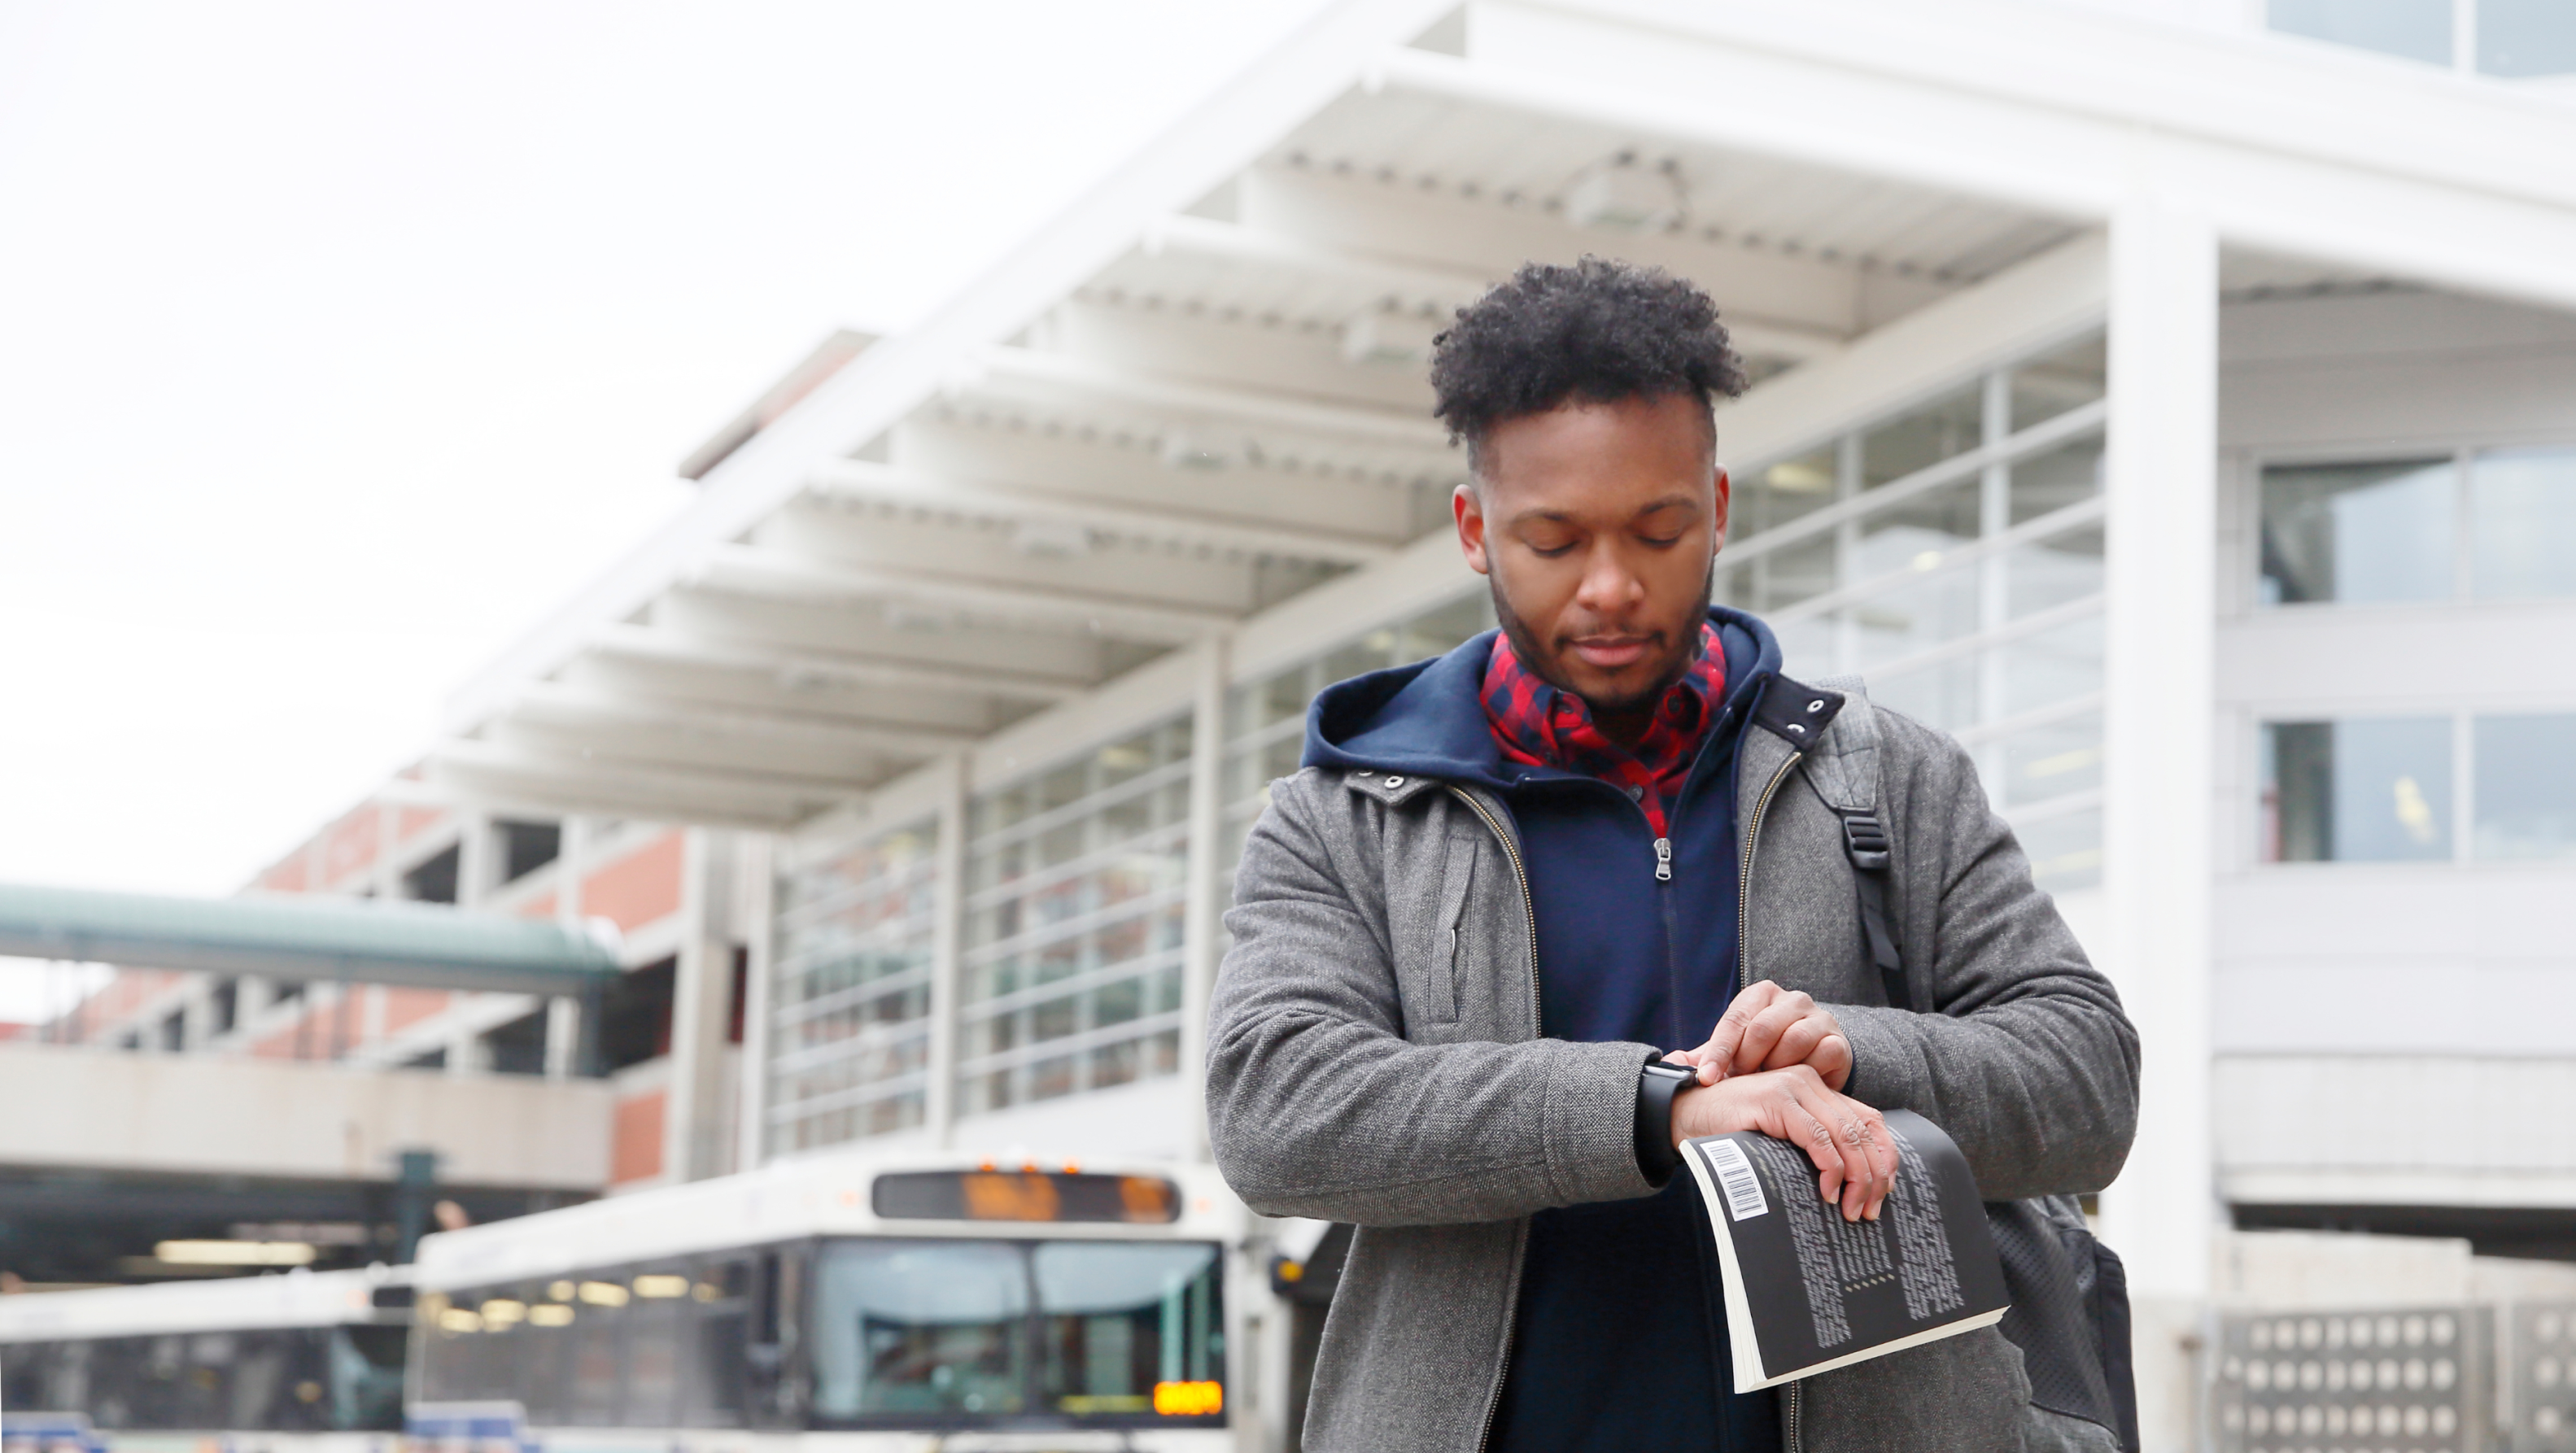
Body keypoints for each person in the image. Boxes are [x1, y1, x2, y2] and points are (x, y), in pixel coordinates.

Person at [1205, 257, 2140, 1453]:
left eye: (1659, 531)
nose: (1612, 587)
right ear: (1474, 530)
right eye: (1554, 541)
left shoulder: (1888, 778)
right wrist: (1663, 1107)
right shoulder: (1346, 818)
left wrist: (1853, 1054)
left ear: (1720, 508)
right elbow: (1276, 1108)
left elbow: (2088, 1081)